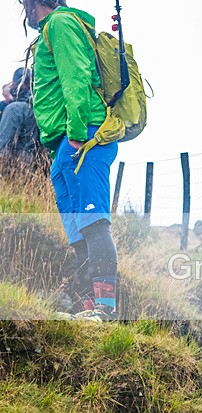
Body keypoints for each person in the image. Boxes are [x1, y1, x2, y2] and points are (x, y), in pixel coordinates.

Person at [21, 0, 119, 321]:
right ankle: (88, 308)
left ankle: (106, 309)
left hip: (83, 135)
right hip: (65, 143)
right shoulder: (53, 28)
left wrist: (76, 133)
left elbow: (75, 76)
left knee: (93, 222)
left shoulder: (61, 24)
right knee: (79, 232)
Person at [0, 67, 39, 157]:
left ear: (14, 83)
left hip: (17, 165)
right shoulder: (37, 106)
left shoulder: (14, 109)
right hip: (35, 163)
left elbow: (3, 145)